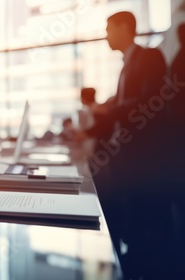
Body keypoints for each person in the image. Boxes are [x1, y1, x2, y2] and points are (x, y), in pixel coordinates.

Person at [76, 11, 176, 279]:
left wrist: (107, 110)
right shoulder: (127, 64)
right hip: (131, 158)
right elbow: (120, 110)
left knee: (150, 223)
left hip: (147, 158)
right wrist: (91, 127)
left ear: (124, 28)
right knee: (134, 220)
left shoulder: (149, 57)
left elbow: (148, 103)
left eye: (109, 29)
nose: (106, 35)